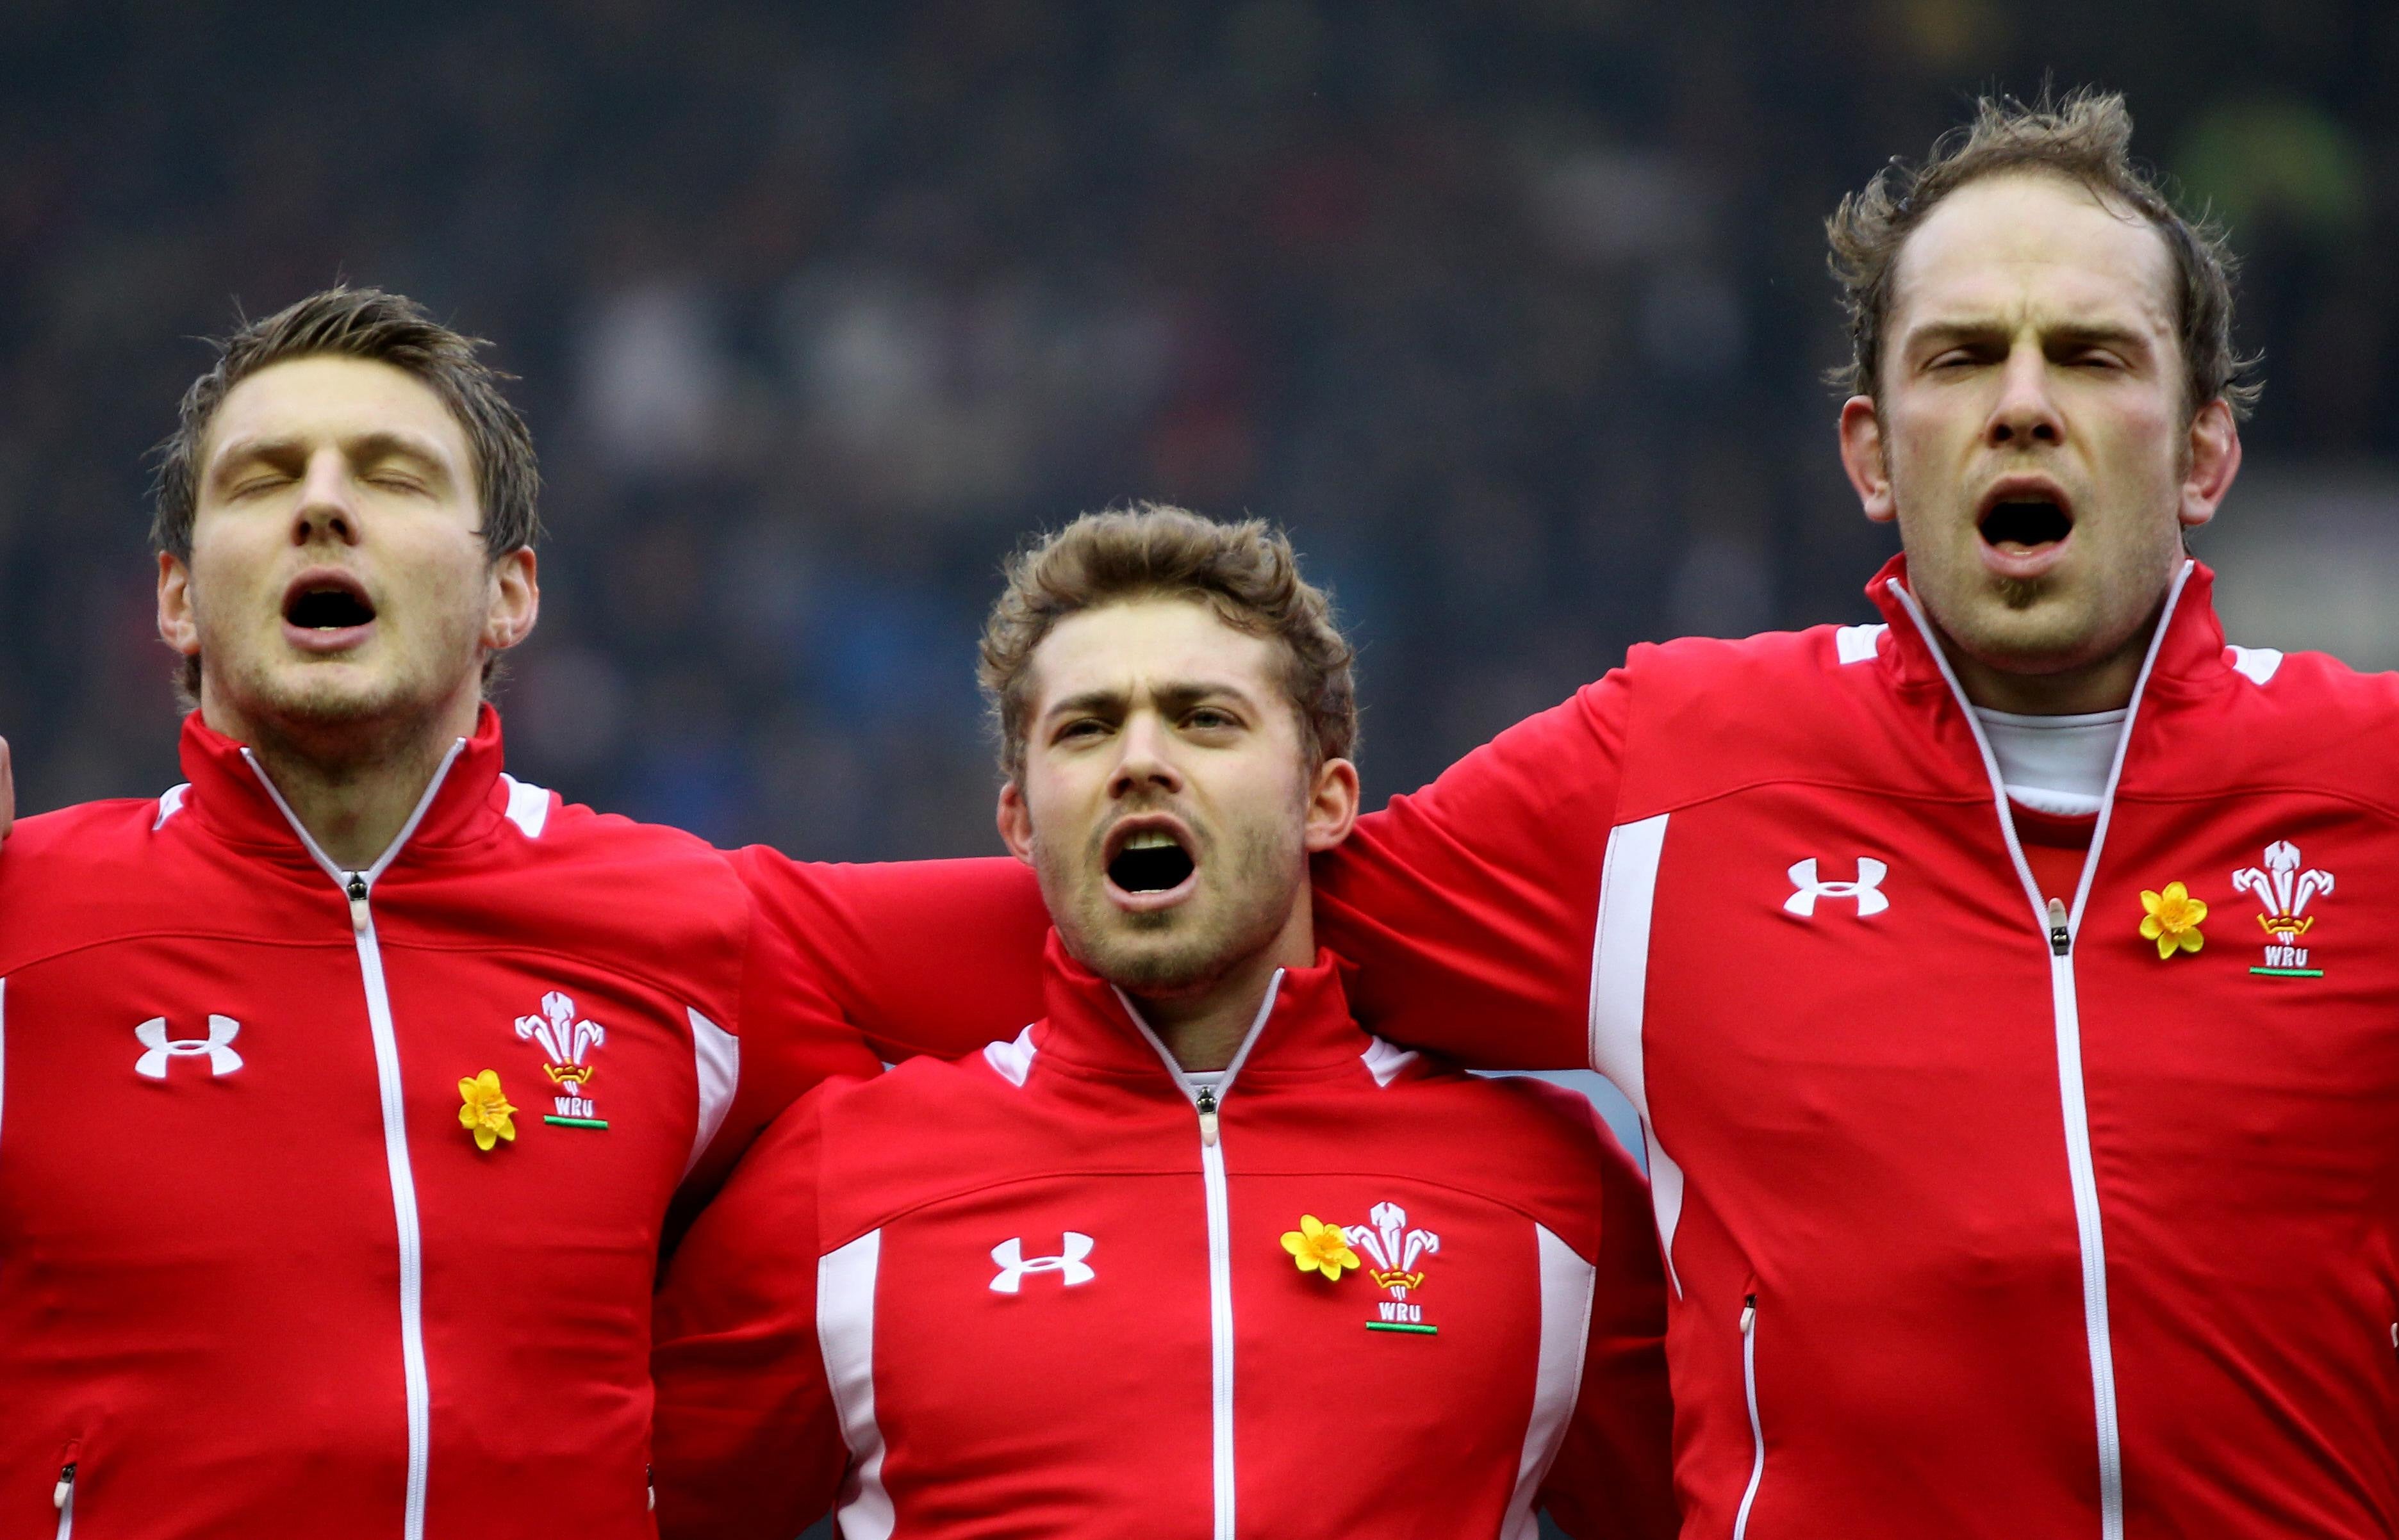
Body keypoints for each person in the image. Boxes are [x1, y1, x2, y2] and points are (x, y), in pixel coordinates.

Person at [1303, 90, 2399, 1537]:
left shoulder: (2371, 781)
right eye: (1961, 358)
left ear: (2203, 455)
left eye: (2088, 354)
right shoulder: (1677, 766)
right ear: (1873, 456)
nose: (2023, 400)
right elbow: (1229, 923)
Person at [0, 287, 1046, 1540]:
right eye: (262, 478)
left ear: (512, 595)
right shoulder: (28, 919)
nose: (321, 505)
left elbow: (1206, 913)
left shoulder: (684, 924)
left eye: (392, 476)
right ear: (174, 599)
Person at [648, 507, 1678, 1540]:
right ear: (1019, 819)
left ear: (1325, 802)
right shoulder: (837, 1184)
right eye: (1087, 727)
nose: (1140, 759)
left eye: (1205, 718)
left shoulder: (1556, 1192)